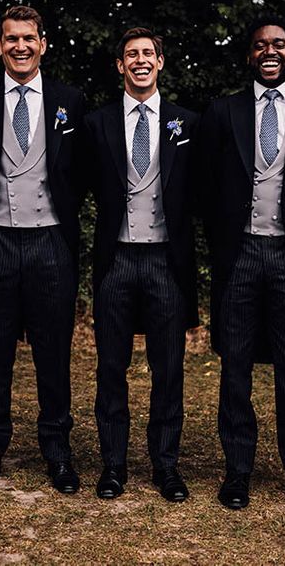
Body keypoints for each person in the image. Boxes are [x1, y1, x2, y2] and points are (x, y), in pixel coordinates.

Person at [200, 17, 285, 511]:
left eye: (278, 44)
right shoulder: (223, 113)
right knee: (235, 365)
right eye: (260, 46)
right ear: (250, 56)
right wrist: (223, 242)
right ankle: (237, 471)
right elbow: (204, 187)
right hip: (240, 254)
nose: (269, 51)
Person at [0, 5, 86, 493]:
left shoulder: (70, 100)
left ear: (43, 43)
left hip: (51, 240)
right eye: (11, 39)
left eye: (29, 38)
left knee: (54, 353)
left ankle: (57, 450)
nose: (20, 46)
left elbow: (82, 172)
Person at [84, 28, 199, 501]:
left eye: (148, 53)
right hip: (117, 260)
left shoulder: (188, 122)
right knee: (112, 367)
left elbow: (203, 191)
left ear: (161, 61)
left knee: (168, 369)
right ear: (120, 65)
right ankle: (113, 465)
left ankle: (165, 466)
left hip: (164, 261)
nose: (140, 61)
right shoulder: (96, 124)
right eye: (131, 54)